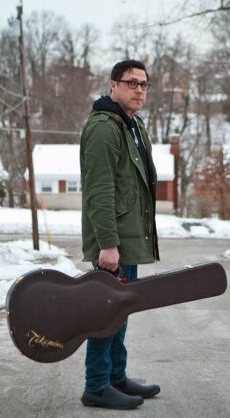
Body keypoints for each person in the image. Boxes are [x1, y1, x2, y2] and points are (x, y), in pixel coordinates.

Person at [78, 59, 161, 410]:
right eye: (131, 83)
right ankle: (96, 384)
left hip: (128, 240)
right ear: (113, 86)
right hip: (113, 244)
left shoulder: (134, 126)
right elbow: (100, 191)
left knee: (121, 312)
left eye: (144, 84)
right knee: (105, 314)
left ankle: (115, 376)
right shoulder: (103, 127)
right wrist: (108, 244)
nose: (139, 89)